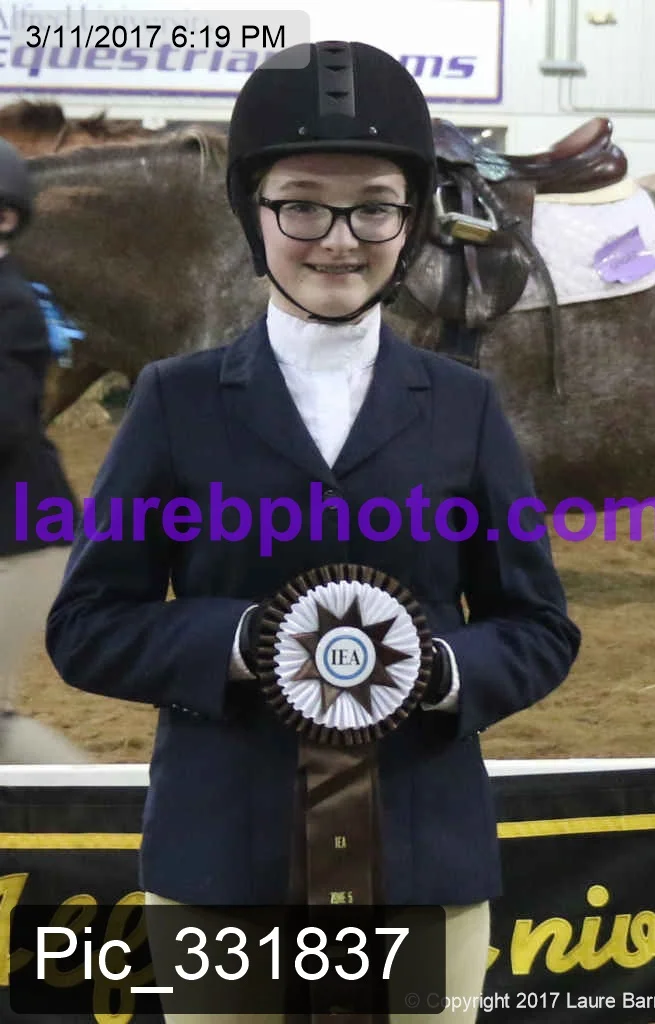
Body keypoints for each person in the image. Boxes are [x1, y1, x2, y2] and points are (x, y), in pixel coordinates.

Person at [46, 40, 580, 1022]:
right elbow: (86, 625)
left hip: (422, 856)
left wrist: (433, 669)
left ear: (409, 220)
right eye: (301, 204)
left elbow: (538, 627)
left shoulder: (464, 408)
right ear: (255, 213)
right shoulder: (172, 402)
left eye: (373, 206)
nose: (338, 239)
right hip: (221, 861)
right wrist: (247, 642)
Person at [0, 137, 86, 763]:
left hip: (22, 542)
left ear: (5, 218)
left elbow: (5, 424)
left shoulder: (13, 305)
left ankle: (112, 817)